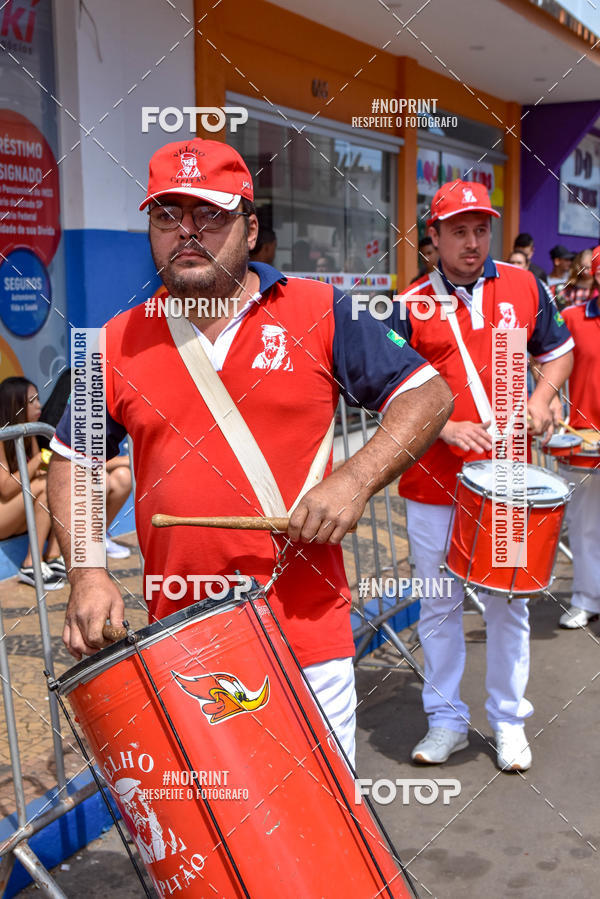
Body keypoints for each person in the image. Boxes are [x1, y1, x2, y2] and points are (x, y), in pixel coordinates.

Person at [47, 138, 453, 766]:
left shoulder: (320, 311)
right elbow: (75, 463)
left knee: (325, 835)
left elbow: (427, 394)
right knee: (219, 841)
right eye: (166, 217)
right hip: (183, 643)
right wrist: (89, 570)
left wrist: (355, 480)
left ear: (250, 225)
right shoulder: (111, 342)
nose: (187, 233)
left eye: (209, 214)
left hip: (307, 639)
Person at [389, 180, 574, 772]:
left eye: (481, 229)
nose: (472, 242)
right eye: (459, 231)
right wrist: (439, 429)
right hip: (433, 484)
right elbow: (384, 388)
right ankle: (445, 721)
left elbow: (559, 351)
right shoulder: (408, 302)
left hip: (509, 477)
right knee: (440, 605)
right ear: (434, 237)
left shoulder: (524, 286)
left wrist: (543, 397)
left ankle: (508, 721)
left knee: (509, 602)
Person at [40, 369, 133, 559]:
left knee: (122, 476)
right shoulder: (62, 419)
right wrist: (129, 460)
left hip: (85, 469)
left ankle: (98, 538)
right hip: (57, 477)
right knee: (87, 479)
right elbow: (72, 459)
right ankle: (55, 553)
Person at [557, 244, 600, 629]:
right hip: (584, 436)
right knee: (584, 524)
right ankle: (586, 598)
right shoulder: (571, 318)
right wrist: (548, 401)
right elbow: (545, 363)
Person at [0, 377, 65, 590]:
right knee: (44, 485)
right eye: (32, 401)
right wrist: (38, 460)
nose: (39, 406)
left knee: (56, 483)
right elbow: (6, 490)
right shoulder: (2, 435)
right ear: (14, 405)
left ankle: (54, 555)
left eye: (38, 399)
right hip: (4, 514)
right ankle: (30, 564)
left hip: (17, 515)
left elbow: (41, 473)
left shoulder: (30, 432)